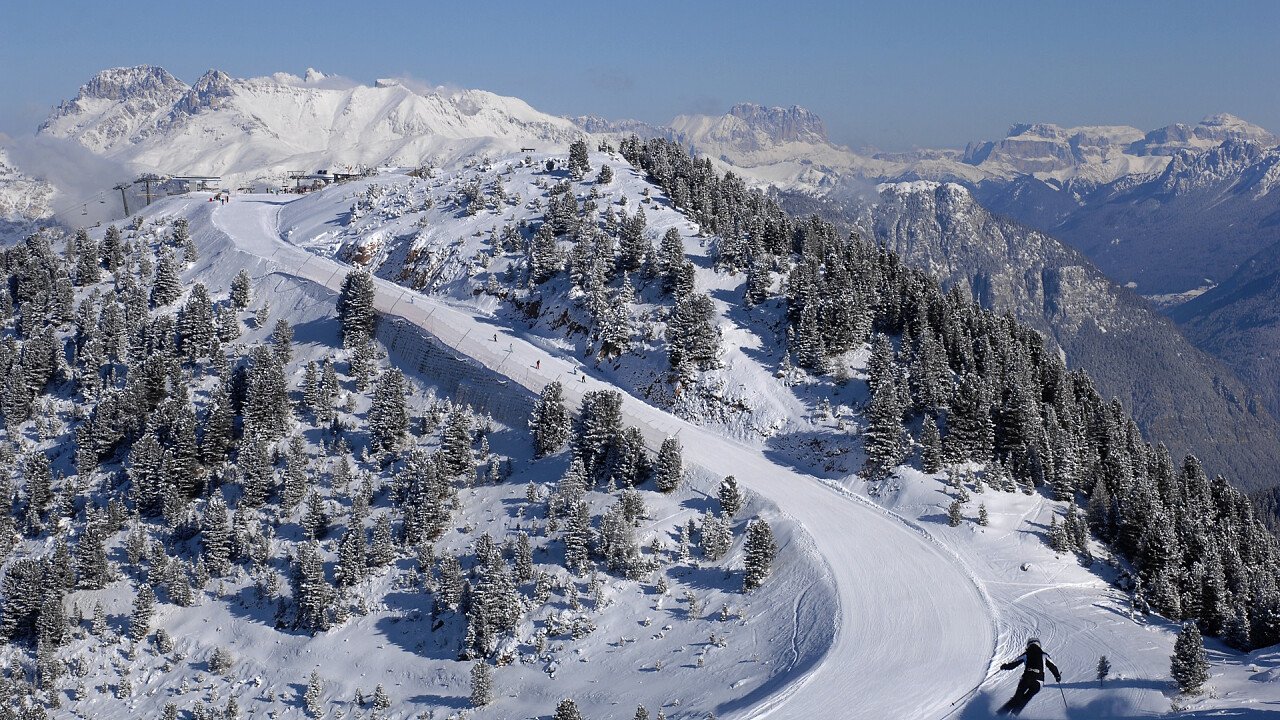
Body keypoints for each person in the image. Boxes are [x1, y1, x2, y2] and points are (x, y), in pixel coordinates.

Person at [997, 637, 1061, 716]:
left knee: (1017, 698)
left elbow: (1013, 664)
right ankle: (1013, 715)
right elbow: (1053, 666)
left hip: (1026, 678)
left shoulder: (1026, 654)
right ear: (1039, 645)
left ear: (1028, 645)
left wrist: (1004, 666)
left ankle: (999, 715)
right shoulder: (1044, 655)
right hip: (1038, 682)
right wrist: (1057, 676)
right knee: (1026, 698)